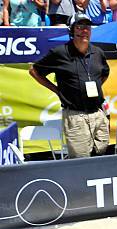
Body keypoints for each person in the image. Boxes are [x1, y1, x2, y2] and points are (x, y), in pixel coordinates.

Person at [29, 13, 110, 159]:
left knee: (101, 155)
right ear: (72, 30)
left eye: (87, 27)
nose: (84, 31)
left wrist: (94, 87)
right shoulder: (59, 53)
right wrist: (57, 90)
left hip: (98, 114)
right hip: (75, 116)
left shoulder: (97, 52)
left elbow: (104, 73)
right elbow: (34, 71)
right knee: (81, 162)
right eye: (80, 27)